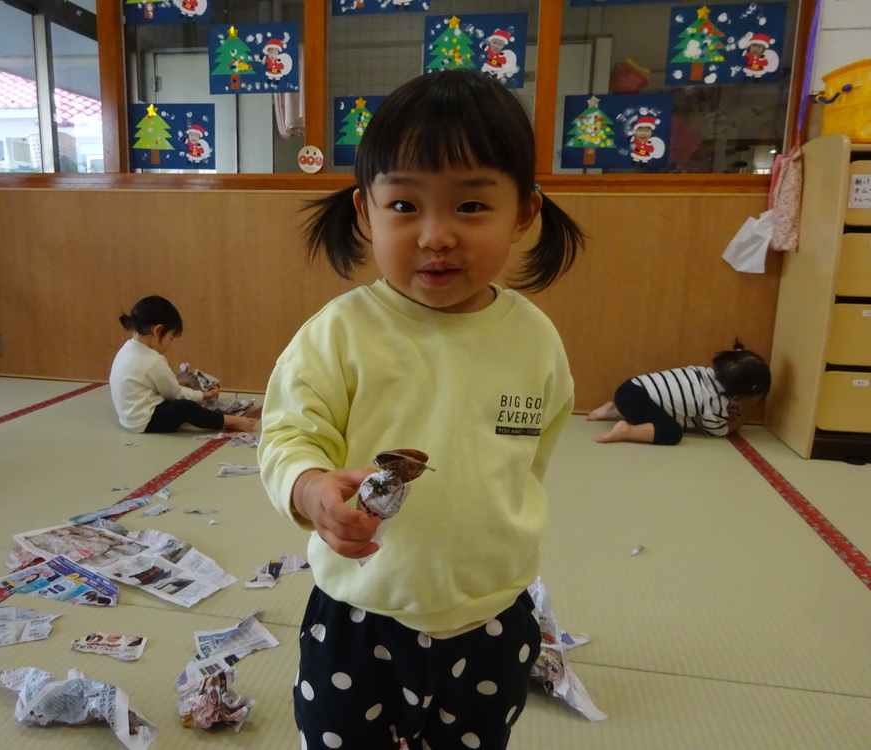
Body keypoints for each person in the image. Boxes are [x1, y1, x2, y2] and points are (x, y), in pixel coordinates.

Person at [258, 70, 586, 750]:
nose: (436, 235)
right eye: (405, 206)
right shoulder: (339, 333)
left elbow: (530, 460)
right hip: (358, 609)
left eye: (470, 206)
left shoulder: (535, 339)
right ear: (365, 212)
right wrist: (311, 487)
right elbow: (290, 431)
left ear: (524, 212)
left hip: (492, 613)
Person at [109, 295, 256, 434]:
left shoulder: (127, 349)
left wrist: (176, 383)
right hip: (146, 422)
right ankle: (228, 421)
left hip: (128, 419)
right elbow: (176, 395)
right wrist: (203, 395)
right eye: (171, 338)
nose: (170, 344)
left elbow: (145, 381)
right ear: (158, 330)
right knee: (185, 408)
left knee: (182, 391)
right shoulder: (153, 360)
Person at [587, 340, 771, 445]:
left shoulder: (702, 372)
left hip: (630, 388)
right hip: (640, 400)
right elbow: (714, 431)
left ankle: (612, 410)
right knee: (672, 432)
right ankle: (627, 431)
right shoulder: (716, 401)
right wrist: (735, 424)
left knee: (655, 411)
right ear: (738, 395)